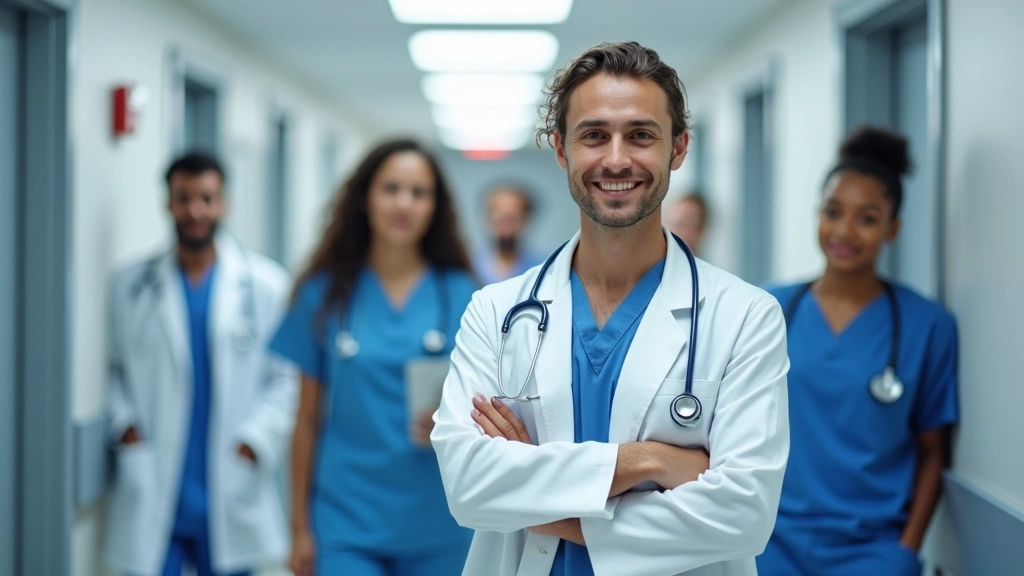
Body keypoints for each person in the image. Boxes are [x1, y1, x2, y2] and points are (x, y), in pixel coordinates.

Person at [431, 41, 790, 576]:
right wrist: (651, 461)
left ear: (679, 148)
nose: (617, 159)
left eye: (641, 135)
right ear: (561, 149)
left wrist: (535, 498)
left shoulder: (745, 317)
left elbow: (744, 514)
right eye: (594, 135)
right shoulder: (495, 311)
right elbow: (468, 485)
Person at [269, 139, 478, 576]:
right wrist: (298, 527)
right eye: (391, 188)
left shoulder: (465, 295)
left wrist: (458, 420)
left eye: (419, 192)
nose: (404, 203)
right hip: (346, 522)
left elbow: (494, 407)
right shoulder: (323, 294)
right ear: (365, 197)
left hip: (442, 522)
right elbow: (306, 420)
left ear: (434, 206)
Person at [756, 126, 958, 576]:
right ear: (818, 215)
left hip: (872, 551)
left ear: (893, 228)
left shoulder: (928, 325)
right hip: (770, 542)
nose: (845, 231)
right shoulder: (767, 309)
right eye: (833, 212)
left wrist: (904, 553)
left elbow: (933, 452)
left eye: (867, 218)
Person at [105, 152, 297, 576]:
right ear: (168, 203)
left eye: (206, 198)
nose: (195, 210)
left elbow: (286, 380)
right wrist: (126, 428)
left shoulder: (265, 285)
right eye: (183, 198)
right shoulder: (131, 285)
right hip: (157, 479)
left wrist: (254, 441)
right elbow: (113, 371)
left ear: (224, 203)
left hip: (230, 480)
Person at [473, 183, 544, 284]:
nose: (506, 225)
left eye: (513, 217)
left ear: (526, 220)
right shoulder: (467, 268)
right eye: (499, 216)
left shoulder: (543, 269)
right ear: (486, 218)